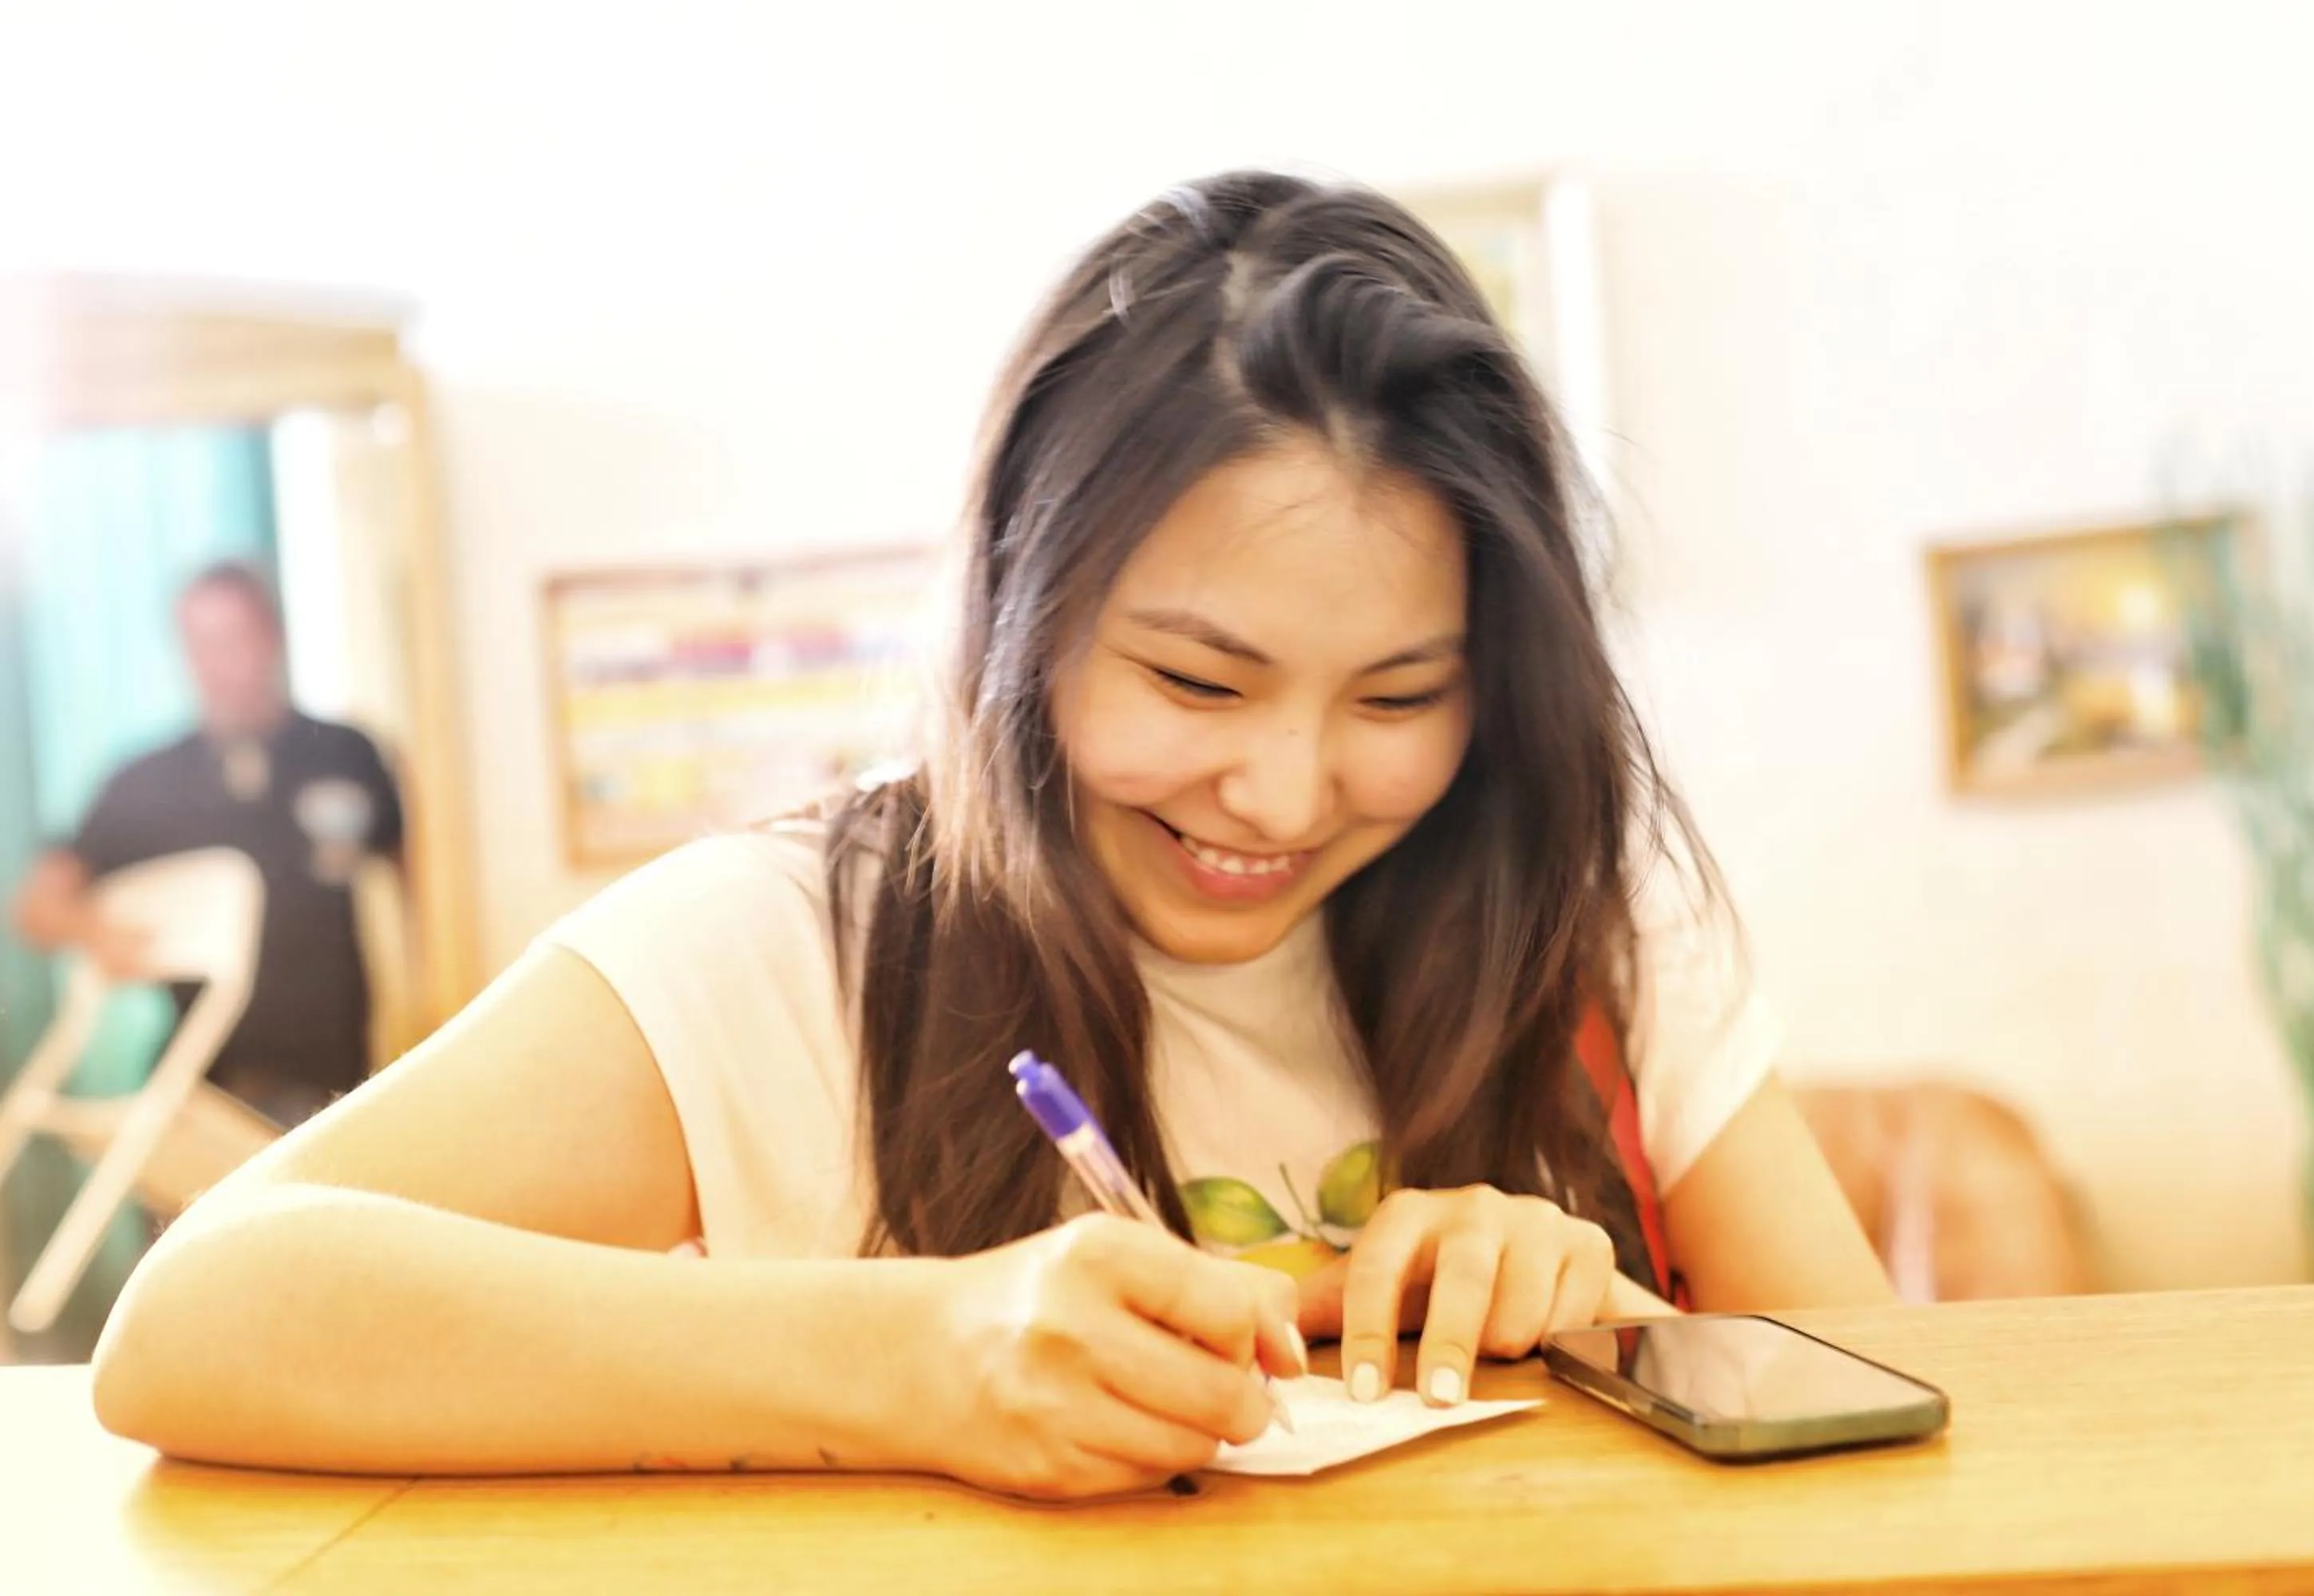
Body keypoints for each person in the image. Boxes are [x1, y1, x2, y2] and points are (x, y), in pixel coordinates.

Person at [89, 172, 1890, 1500]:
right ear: (1025, 614)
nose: (1281, 792)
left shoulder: (1583, 904)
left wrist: (1607, 1319)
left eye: (1401, 698)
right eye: (1197, 682)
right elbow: (204, 1312)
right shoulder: (801, 943)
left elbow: (1896, 1416)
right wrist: (916, 1350)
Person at [10, 561, 406, 1127]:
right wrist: (98, 931)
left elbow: (421, 881)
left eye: (236, 638)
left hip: (337, 1090)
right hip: (203, 1095)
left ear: (273, 636)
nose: (222, 663)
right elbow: (37, 908)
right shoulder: (144, 786)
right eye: (203, 643)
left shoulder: (347, 753)